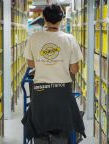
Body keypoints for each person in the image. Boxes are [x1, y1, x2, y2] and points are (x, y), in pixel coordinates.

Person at [22, 3, 86, 144]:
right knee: (62, 133)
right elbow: (74, 69)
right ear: (62, 18)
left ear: (44, 18)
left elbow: (31, 64)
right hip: (62, 94)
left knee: (40, 132)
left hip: (40, 94)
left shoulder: (34, 38)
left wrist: (44, 64)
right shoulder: (70, 39)